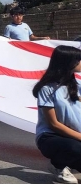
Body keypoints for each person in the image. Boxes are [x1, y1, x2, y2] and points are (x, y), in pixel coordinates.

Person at [33, 45, 81, 184]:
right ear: (69, 63)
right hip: (51, 137)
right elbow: (53, 124)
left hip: (75, 136)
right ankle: (58, 165)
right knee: (76, 148)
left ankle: (71, 163)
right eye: (79, 59)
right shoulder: (47, 89)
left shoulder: (77, 85)